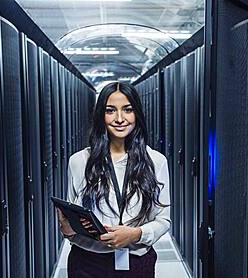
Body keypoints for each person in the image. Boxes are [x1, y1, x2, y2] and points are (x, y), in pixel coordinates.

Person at [57, 82, 171, 278]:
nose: (119, 119)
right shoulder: (79, 161)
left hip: (136, 263)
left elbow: (163, 219)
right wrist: (67, 229)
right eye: (111, 111)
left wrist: (135, 234)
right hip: (86, 263)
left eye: (127, 110)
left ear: (137, 114)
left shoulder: (156, 161)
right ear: (101, 115)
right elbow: (72, 222)